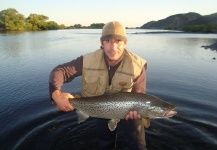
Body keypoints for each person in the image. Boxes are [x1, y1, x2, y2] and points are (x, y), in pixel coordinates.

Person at [49, 21, 147, 150]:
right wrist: (56, 94)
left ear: (125, 43)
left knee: (138, 145)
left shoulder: (138, 65)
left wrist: (137, 112)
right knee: (105, 144)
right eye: (108, 41)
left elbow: (139, 95)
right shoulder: (87, 60)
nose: (113, 47)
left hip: (128, 109)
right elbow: (60, 71)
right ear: (101, 43)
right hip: (100, 110)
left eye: (118, 41)